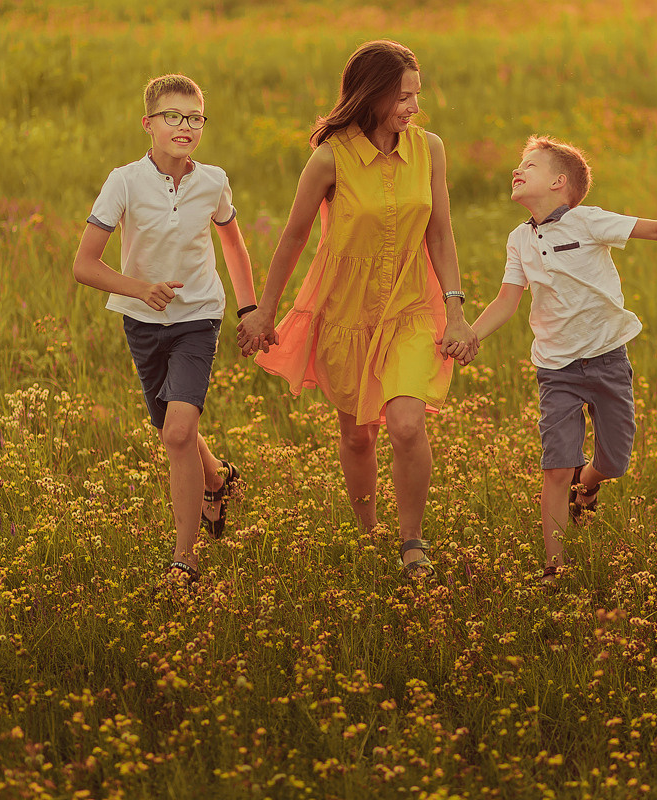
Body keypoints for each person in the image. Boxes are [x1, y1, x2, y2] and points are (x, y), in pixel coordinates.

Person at [456, 135, 657, 582]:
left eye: (529, 165)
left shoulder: (587, 222)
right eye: (517, 164)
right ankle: (554, 567)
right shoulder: (518, 240)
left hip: (607, 360)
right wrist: (472, 333)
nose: (515, 170)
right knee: (555, 466)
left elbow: (656, 228)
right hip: (556, 369)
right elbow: (507, 299)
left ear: (559, 182)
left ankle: (589, 486)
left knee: (614, 461)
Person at [236, 40, 478, 579]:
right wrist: (264, 312)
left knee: (407, 424)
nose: (414, 107)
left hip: (412, 305)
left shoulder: (429, 149)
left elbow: (440, 232)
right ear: (370, 95)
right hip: (345, 309)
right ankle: (369, 534)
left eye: (417, 95)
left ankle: (411, 541)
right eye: (403, 96)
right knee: (356, 434)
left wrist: (456, 310)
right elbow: (294, 238)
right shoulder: (329, 158)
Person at [72, 74, 261, 584]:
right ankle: (218, 481)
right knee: (170, 431)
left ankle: (185, 559)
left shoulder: (213, 181)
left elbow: (235, 248)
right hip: (143, 322)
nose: (185, 126)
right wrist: (140, 288)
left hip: (198, 317)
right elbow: (85, 265)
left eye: (195, 117)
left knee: (178, 431)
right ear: (148, 124)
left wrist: (249, 312)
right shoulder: (124, 181)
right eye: (173, 117)